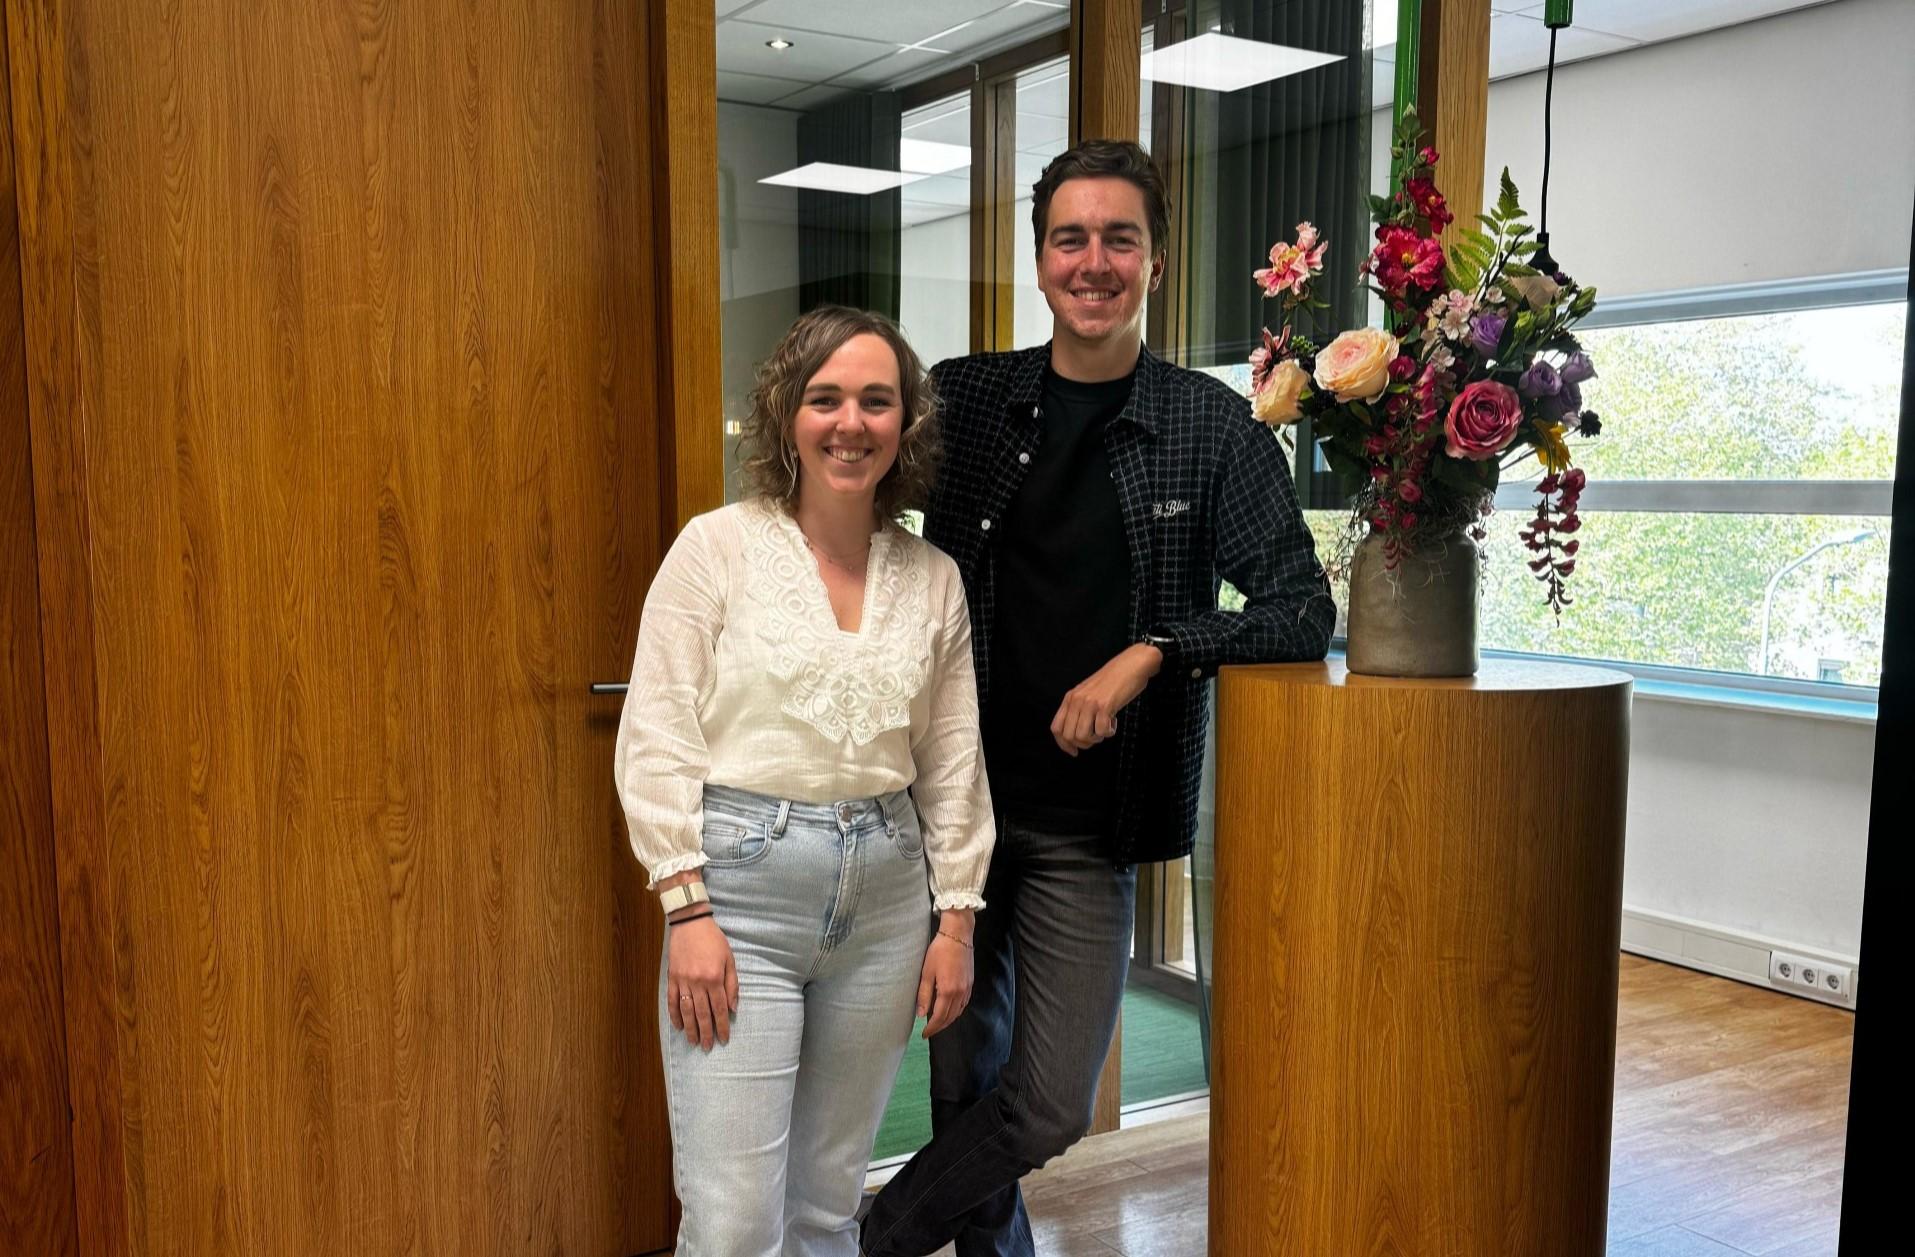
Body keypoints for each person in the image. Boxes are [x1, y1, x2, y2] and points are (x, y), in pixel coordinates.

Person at [860, 139, 1336, 1257]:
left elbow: (1300, 609)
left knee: (1047, 1103)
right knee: (963, 1078)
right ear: (1039, 262)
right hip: (954, 808)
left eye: (1120, 239)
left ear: (1155, 262)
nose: (1094, 262)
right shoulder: (967, 399)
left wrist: (1155, 651)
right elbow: (848, 487)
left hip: (1091, 824)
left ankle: (868, 1237)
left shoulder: (1210, 428)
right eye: (1069, 238)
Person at [616, 305, 995, 1256]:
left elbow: (953, 761)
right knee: (732, 1221)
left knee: (825, 1209)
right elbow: (656, 731)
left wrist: (955, 922)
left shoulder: (933, 577)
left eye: (876, 400)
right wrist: (685, 908)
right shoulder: (715, 548)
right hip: (739, 898)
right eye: (825, 398)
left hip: (888, 902)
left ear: (905, 421)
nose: (849, 423)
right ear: (787, 414)